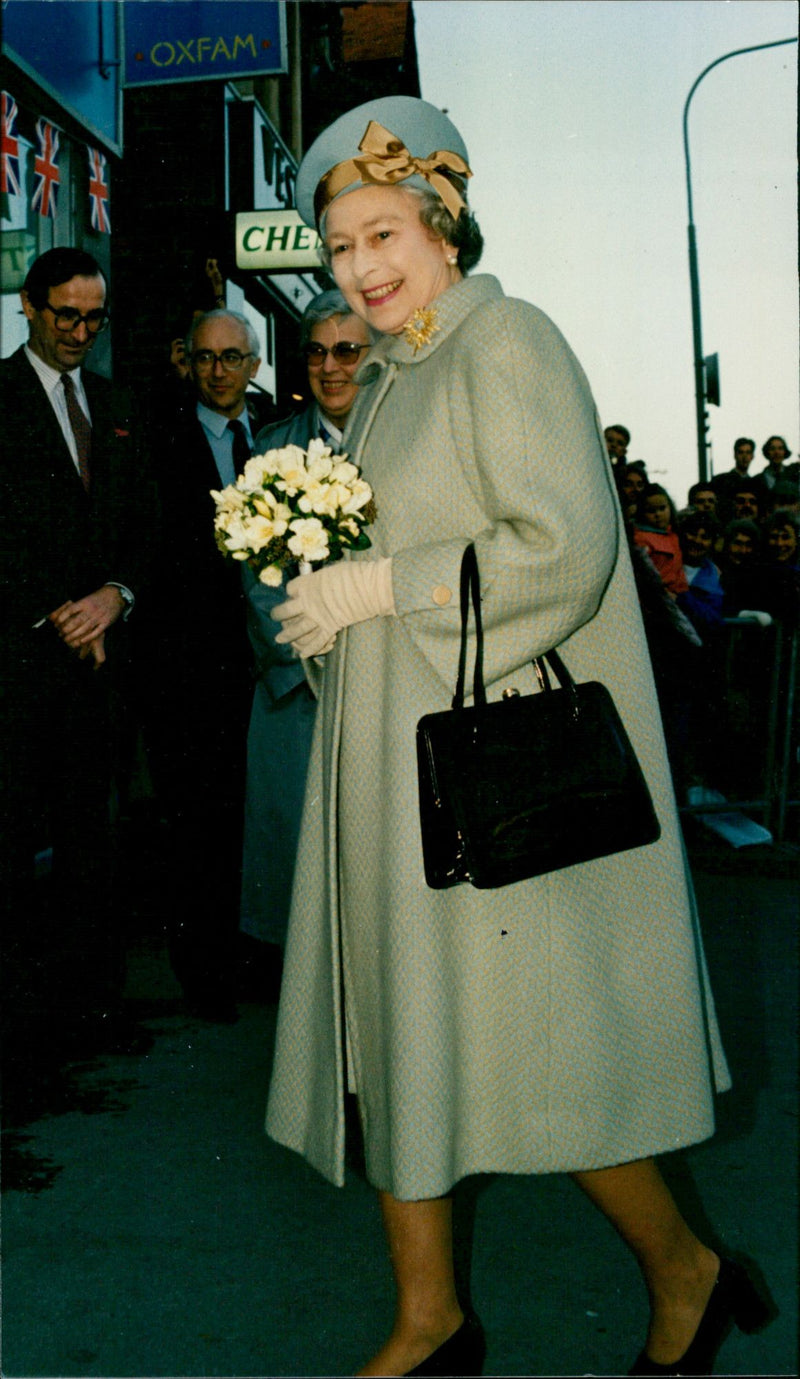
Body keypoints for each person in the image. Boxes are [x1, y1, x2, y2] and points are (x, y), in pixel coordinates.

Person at [265, 96, 769, 1378]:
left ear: (441, 226)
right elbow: (407, 559)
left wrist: (378, 590)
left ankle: (686, 1269)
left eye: (383, 232)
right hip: (393, 763)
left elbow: (563, 547)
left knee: (545, 1059)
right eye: (337, 248)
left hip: (489, 768)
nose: (361, 268)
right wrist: (334, 616)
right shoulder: (388, 376)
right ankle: (428, 1317)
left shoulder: (504, 342)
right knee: (403, 1037)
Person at [0, 247, 151, 1057]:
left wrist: (114, 598)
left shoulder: (116, 404)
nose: (81, 332)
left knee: (96, 841)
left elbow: (146, 530)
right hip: (21, 668)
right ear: (30, 305)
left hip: (104, 672)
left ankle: (95, 1010)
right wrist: (56, 612)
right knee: (16, 847)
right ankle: (23, 1027)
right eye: (66, 315)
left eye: (94, 318)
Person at [136, 309, 261, 1021]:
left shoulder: (275, 436)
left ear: (252, 364)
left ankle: (254, 955)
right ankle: (205, 972)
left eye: (232, 357)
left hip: (266, 664)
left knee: (258, 815)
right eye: (206, 358)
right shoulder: (158, 439)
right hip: (186, 670)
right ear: (189, 362)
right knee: (198, 824)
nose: (219, 370)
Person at [239, 291, 371, 957]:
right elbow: (259, 578)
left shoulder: (404, 433)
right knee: (300, 865)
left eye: (347, 349)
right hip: (303, 688)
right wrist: (307, 663)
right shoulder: (272, 451)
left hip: (387, 682)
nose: (331, 366)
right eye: (317, 351)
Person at [633, 484, 689, 598]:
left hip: (680, 594)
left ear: (670, 507)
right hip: (657, 596)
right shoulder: (640, 538)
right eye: (651, 511)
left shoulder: (673, 536)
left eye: (662, 508)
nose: (658, 514)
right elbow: (643, 575)